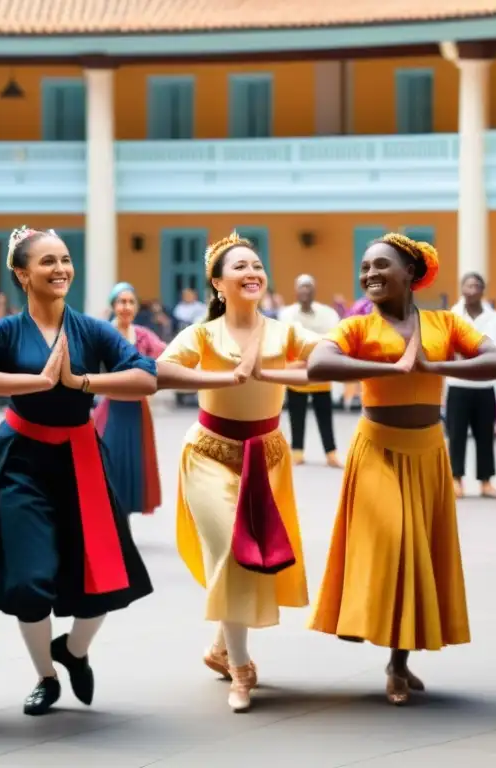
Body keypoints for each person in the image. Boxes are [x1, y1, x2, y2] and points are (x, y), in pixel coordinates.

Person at [0, 226, 157, 717]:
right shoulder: (3, 331)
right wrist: (36, 381)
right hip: (22, 458)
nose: (61, 268)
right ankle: (45, 674)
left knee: (100, 584)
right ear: (22, 274)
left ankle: (74, 651)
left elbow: (144, 374)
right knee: (29, 582)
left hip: (82, 456)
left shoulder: (91, 329)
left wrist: (81, 380)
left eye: (65, 259)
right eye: (47, 261)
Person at [305, 233, 496, 705]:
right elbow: (318, 364)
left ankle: (397, 664)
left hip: (427, 453)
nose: (370, 274)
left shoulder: (443, 323)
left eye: (381, 265)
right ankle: (363, 617)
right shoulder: (357, 326)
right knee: (396, 538)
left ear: (411, 274)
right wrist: (389, 369)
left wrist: (432, 368)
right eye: (365, 267)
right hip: (376, 448)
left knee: (418, 550)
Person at [154, 233, 318, 712]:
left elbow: (325, 360)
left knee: (250, 555)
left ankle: (222, 645)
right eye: (240, 267)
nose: (252, 273)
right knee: (229, 547)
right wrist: (226, 377)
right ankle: (241, 669)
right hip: (209, 453)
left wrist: (272, 374)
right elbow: (161, 371)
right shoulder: (203, 334)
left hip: (265, 457)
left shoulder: (283, 331)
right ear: (218, 283)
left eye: (257, 265)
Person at [93, 282, 166, 515]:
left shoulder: (144, 336)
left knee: (132, 465)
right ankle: (106, 517)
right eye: (121, 302)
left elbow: (167, 355)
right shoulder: (103, 333)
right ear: (113, 306)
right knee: (107, 462)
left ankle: (122, 518)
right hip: (111, 408)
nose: (126, 306)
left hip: (137, 409)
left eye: (130, 301)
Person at [445, 272, 496, 498]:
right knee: (456, 435)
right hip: (457, 384)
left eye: (476, 286)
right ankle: (456, 480)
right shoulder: (451, 316)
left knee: (485, 436)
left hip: (485, 386)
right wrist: (478, 350)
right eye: (467, 285)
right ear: (461, 289)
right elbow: (450, 349)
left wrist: (471, 351)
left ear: (483, 290)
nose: (471, 290)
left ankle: (486, 482)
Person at [277, 274, 342, 467]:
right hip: (297, 372)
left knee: (325, 414)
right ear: (296, 291)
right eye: (302, 287)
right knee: (296, 414)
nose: (305, 291)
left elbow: (332, 337)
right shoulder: (286, 314)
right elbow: (287, 340)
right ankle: (297, 452)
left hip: (320, 372)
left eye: (308, 287)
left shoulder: (328, 314)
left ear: (314, 291)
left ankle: (331, 453)